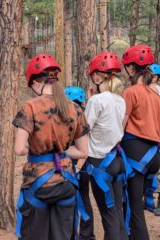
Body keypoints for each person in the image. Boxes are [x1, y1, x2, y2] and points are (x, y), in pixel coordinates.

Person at [13, 53, 90, 240]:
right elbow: (83, 151)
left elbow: (19, 148)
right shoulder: (74, 108)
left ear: (37, 83)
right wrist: (59, 153)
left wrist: (38, 151)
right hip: (66, 183)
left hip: (39, 185)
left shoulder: (30, 107)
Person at [120, 45, 160, 240]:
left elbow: (122, 124)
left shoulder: (131, 92)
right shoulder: (155, 94)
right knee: (134, 205)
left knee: (134, 208)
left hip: (136, 154)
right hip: (153, 155)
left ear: (131, 68)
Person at [85, 52, 128, 240]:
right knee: (117, 212)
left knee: (108, 217)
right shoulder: (120, 100)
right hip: (117, 160)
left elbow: (84, 129)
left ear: (96, 76)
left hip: (99, 162)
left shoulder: (97, 101)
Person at [64, 86, 95, 240]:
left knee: (76, 200)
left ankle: (79, 235)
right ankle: (86, 235)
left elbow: (85, 147)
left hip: (76, 166)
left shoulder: (71, 118)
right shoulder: (82, 116)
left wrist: (76, 167)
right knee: (83, 199)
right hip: (75, 166)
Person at [148, 63, 160, 216]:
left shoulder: (159, 92)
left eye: (153, 75)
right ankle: (148, 198)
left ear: (158, 78)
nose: (151, 78)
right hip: (150, 132)